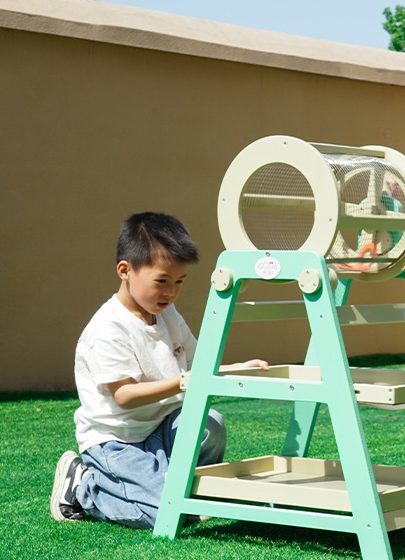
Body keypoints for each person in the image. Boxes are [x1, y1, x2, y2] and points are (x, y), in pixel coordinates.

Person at [50, 211, 268, 528]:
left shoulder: (167, 315)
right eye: (161, 281)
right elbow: (124, 395)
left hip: (161, 427)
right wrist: (181, 383)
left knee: (212, 423)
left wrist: (237, 368)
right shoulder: (107, 329)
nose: (171, 292)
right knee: (166, 514)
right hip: (117, 441)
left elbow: (198, 363)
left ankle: (190, 489)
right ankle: (84, 485)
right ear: (125, 270)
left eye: (179, 282)